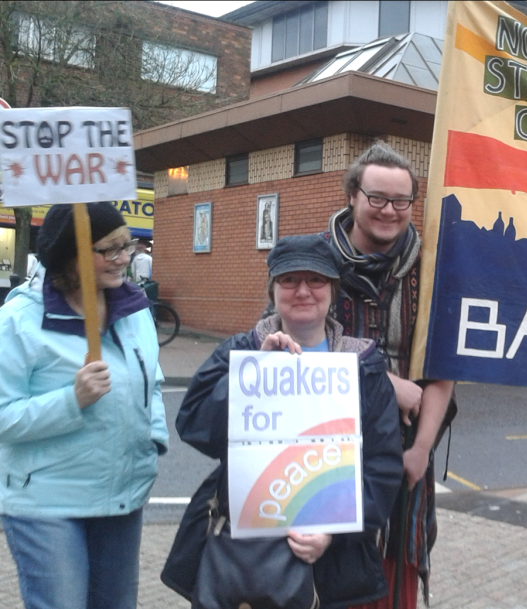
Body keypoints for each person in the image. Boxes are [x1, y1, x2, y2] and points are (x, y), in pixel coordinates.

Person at [168, 233, 404, 606]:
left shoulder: (364, 366)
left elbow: (383, 465)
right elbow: (195, 426)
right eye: (289, 280)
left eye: (316, 280)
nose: (303, 291)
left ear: (333, 290)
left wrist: (334, 533)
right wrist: (253, 376)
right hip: (244, 559)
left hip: (329, 567)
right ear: (273, 290)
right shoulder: (241, 352)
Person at [0, 202, 168, 609]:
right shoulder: (18, 321)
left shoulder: (134, 309)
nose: (124, 259)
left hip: (122, 495)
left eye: (126, 246)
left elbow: (154, 382)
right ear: (70, 257)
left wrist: (154, 436)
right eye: (108, 249)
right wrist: (71, 401)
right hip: (47, 504)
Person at [328, 141, 455, 608]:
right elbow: (280, 351)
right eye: (376, 197)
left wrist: (421, 451)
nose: (389, 210)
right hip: (325, 455)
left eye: (401, 201)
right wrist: (378, 380)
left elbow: (444, 368)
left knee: (391, 592)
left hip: (404, 463)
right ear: (352, 195)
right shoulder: (313, 265)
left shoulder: (432, 272)